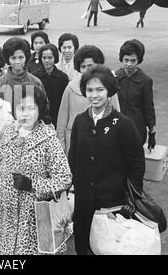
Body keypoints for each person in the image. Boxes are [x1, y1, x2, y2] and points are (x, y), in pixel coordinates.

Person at [68, 65, 145, 255]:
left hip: (113, 199)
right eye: (90, 90)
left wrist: (131, 196)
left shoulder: (124, 124)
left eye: (100, 89)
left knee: (109, 246)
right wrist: (73, 186)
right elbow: (74, 157)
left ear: (109, 91)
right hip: (84, 200)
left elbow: (136, 162)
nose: (94, 95)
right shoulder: (80, 121)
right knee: (83, 244)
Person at [0, 85, 72, 255]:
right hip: (9, 215)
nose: (25, 113)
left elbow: (64, 178)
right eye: (21, 108)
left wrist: (33, 185)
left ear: (40, 110)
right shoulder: (9, 134)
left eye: (31, 108)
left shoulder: (48, 139)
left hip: (37, 217)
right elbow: (0, 169)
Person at [57, 45, 120, 154]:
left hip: (103, 138)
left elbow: (117, 114)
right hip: (74, 140)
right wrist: (61, 145)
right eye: (83, 66)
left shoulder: (108, 85)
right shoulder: (70, 87)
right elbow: (62, 119)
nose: (87, 70)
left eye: (90, 65)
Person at [115, 39, 156, 149]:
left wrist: (152, 132)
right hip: (117, 126)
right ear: (121, 59)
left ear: (139, 60)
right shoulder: (115, 77)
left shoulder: (145, 80)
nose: (129, 64)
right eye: (126, 60)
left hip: (136, 127)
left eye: (133, 61)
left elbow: (149, 108)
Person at [0, 37, 47, 117]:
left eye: (21, 57)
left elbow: (43, 108)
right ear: (8, 59)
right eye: (13, 58)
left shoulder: (35, 82)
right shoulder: (0, 82)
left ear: (26, 57)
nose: (17, 62)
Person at [33, 43, 69, 128]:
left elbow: (65, 101)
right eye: (44, 58)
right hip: (39, 118)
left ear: (55, 58)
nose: (47, 61)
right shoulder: (35, 77)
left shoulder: (62, 77)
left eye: (50, 58)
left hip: (58, 116)